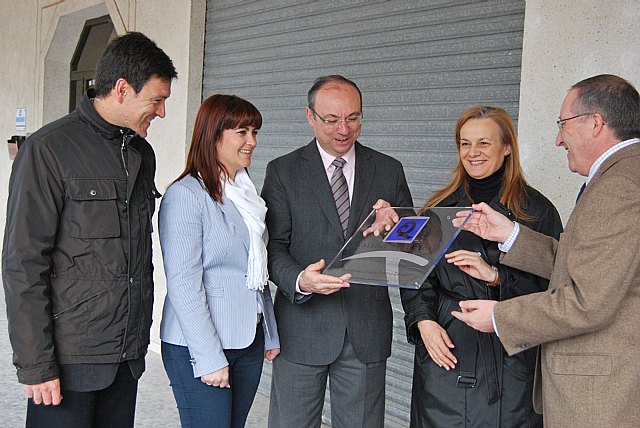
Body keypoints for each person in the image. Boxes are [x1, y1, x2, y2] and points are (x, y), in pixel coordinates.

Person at [1, 32, 176, 427]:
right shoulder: (48, 149)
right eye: (156, 100)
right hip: (69, 362)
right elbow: (23, 262)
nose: (162, 112)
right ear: (122, 89)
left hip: (125, 358)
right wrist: (36, 364)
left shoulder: (140, 152)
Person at [451, 74, 640, 427]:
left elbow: (588, 301)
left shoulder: (620, 186)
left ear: (595, 123)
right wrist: (511, 235)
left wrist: (499, 317)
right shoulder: (621, 176)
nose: (558, 139)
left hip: (599, 398)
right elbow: (582, 266)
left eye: (563, 124)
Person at [262, 75, 413, 428]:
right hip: (301, 328)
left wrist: (395, 228)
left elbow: (410, 251)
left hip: (365, 328)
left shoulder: (388, 170)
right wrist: (300, 280)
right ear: (310, 116)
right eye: (331, 120)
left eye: (353, 118)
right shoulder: (283, 171)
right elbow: (272, 248)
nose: (343, 130)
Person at [399, 106, 563, 427]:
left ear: (507, 147)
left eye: (484, 143)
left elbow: (556, 287)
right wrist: (423, 322)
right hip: (447, 351)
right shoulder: (439, 209)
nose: (472, 152)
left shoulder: (537, 211)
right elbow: (413, 274)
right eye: (465, 143)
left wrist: (498, 278)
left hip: (510, 356)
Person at [158, 94, 280, 428]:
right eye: (242, 132)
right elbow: (184, 284)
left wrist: (268, 331)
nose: (252, 141)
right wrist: (208, 356)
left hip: (247, 338)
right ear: (213, 136)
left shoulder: (245, 194)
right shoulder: (186, 195)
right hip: (199, 344)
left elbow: (253, 270)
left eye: (254, 132)